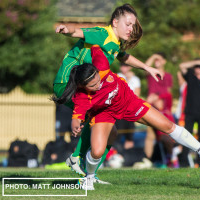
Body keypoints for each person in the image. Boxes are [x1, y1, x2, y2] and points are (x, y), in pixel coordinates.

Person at [52, 46, 200, 190]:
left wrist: (93, 37)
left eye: (98, 79)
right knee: (97, 151)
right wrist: (76, 124)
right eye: (93, 85)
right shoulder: (82, 97)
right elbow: (77, 116)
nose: (99, 84)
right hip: (104, 113)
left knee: (168, 126)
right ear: (83, 86)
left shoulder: (101, 64)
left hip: (130, 103)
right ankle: (89, 177)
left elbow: (96, 44)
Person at [53, 4, 162, 181]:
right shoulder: (103, 34)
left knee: (112, 132)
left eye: (133, 25)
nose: (131, 29)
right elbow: (77, 32)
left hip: (82, 87)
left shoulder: (115, 43)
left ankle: (92, 175)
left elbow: (123, 56)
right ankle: (76, 158)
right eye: (128, 24)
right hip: (67, 83)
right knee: (97, 117)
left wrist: (147, 67)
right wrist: (66, 29)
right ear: (115, 21)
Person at [115, 63, 141, 150]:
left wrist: (129, 79)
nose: (123, 67)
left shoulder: (135, 79)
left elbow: (137, 95)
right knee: (117, 135)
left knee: (129, 137)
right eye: (122, 65)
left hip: (130, 111)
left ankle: (127, 157)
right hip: (119, 111)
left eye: (125, 66)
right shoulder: (118, 76)